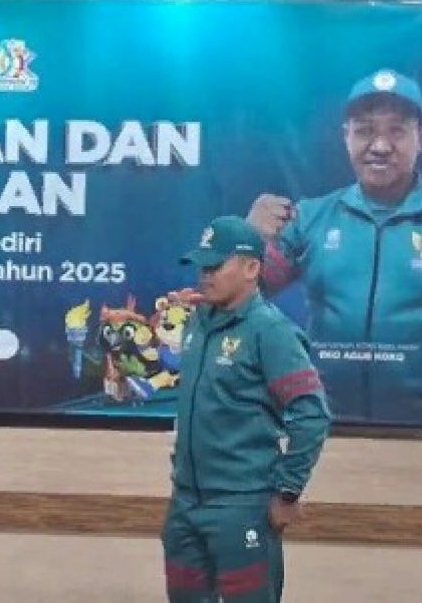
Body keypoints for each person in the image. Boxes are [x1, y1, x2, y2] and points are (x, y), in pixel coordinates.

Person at [247, 69, 422, 424]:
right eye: (365, 131)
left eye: (397, 131)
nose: (380, 146)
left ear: (421, 137)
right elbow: (244, 296)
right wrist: (250, 240)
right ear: (346, 136)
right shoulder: (310, 217)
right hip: (321, 422)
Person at [163, 216, 331, 603]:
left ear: (252, 268)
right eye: (202, 266)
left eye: (215, 266)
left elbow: (311, 414)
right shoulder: (198, 322)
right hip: (185, 503)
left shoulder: (270, 332)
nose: (205, 275)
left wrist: (288, 491)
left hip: (242, 506)